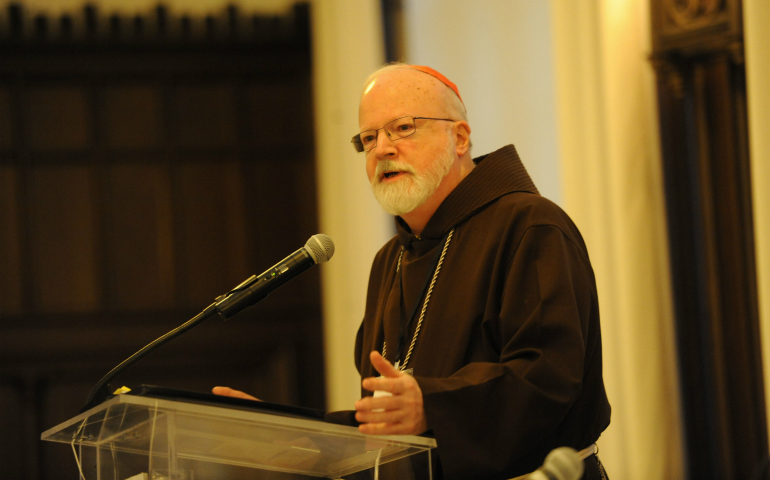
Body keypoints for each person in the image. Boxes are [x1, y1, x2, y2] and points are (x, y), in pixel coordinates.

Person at [216, 63, 611, 480]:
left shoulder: (530, 226)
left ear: (458, 137)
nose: (382, 148)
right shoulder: (391, 259)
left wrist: (433, 405)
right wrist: (295, 436)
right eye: (369, 138)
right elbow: (393, 421)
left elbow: (549, 377)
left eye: (402, 128)